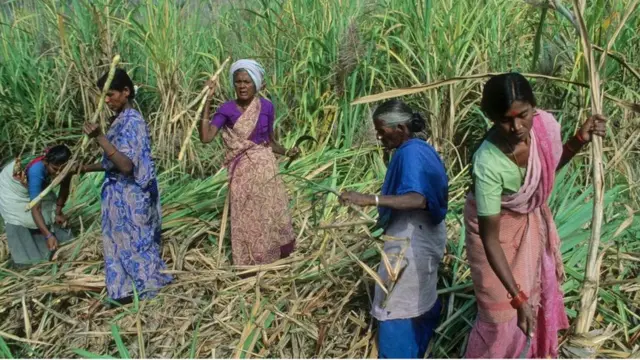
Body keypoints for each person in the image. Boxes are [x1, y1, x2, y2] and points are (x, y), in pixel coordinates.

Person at [464, 72, 607, 358]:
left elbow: (545, 168)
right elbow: (490, 239)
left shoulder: (544, 126)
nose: (516, 126)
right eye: (505, 119)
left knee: (534, 302)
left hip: (528, 223)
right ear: (490, 117)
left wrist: (579, 140)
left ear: (534, 107)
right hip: (493, 233)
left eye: (523, 115)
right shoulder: (488, 161)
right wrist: (516, 298)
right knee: (499, 316)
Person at [338, 99, 449, 359]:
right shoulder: (421, 149)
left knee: (395, 305)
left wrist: (369, 199)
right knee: (418, 300)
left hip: (412, 239)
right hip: (423, 235)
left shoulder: (410, 152)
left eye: (382, 130)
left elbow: (417, 198)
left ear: (400, 127)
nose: (379, 137)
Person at [81, 68, 172, 305]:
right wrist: (82, 168)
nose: (107, 101)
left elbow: (126, 166)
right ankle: (128, 296)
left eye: (110, 95)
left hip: (131, 199)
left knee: (138, 248)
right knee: (121, 247)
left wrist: (100, 138)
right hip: (118, 199)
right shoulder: (119, 121)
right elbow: (112, 162)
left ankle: (153, 299)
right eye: (104, 96)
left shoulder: (133, 121)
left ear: (126, 91)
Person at [198, 59, 298, 266]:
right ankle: (250, 262)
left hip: (266, 171)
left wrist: (288, 151)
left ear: (256, 83)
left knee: (268, 214)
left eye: (247, 82)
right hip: (241, 174)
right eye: (238, 82)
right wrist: (207, 102)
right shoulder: (226, 109)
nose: (242, 86)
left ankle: (273, 258)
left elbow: (270, 141)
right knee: (246, 219)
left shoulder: (267, 107)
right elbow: (206, 137)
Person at [0, 145, 74, 268]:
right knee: (19, 219)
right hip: (12, 190)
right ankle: (26, 259)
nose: (58, 173)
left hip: (31, 184)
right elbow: (36, 207)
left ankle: (57, 245)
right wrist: (48, 235)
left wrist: (58, 212)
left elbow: (65, 187)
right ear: (46, 162)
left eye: (61, 170)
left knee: (48, 210)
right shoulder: (37, 171)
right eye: (55, 169)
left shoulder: (65, 166)